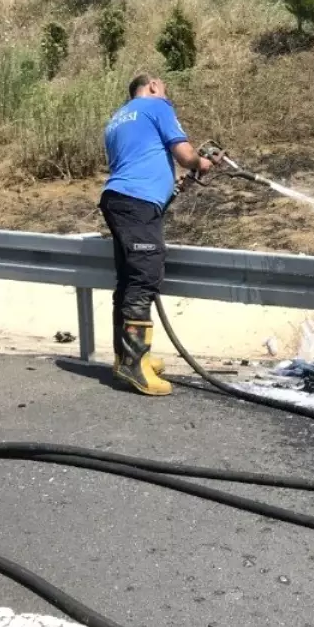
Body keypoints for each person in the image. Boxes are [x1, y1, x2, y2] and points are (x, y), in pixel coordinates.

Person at [99, 73, 215, 396]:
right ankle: (135, 366)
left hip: (118, 199)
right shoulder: (157, 106)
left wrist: (170, 184)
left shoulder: (118, 119)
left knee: (128, 278)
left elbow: (136, 162)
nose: (166, 93)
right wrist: (200, 162)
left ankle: (128, 356)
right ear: (152, 85)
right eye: (163, 87)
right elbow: (185, 154)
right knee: (144, 275)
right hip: (137, 203)